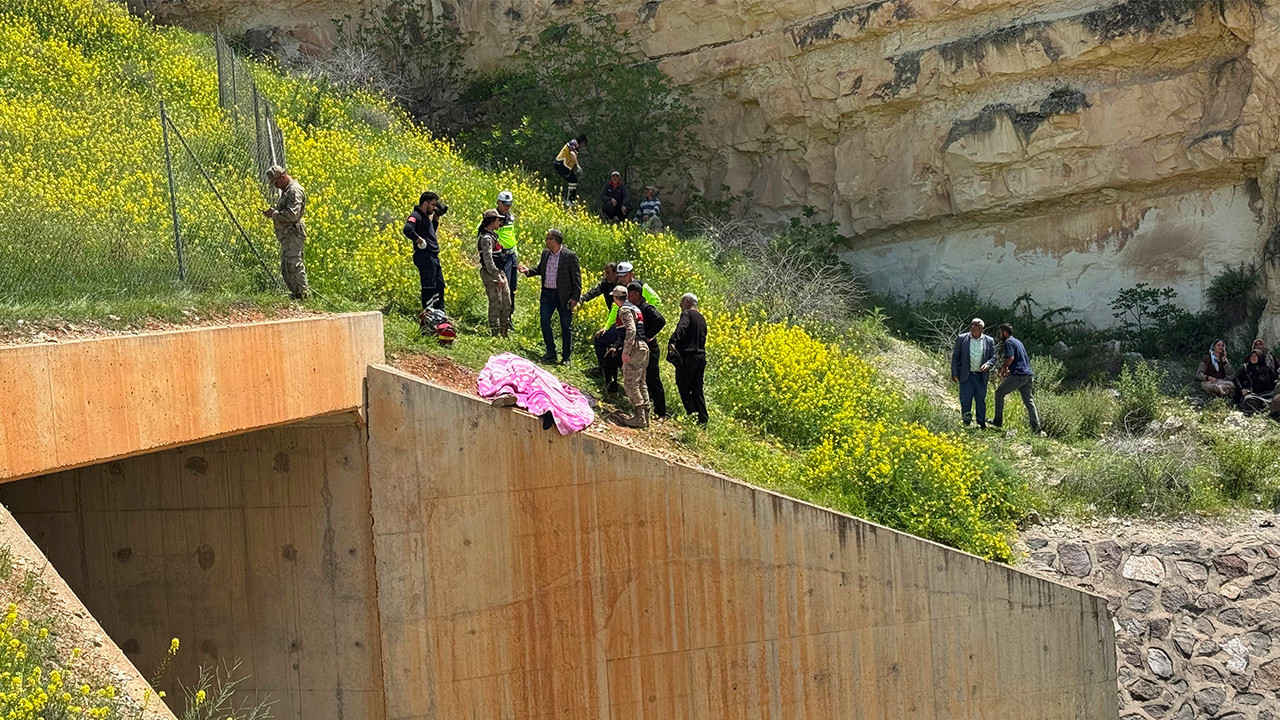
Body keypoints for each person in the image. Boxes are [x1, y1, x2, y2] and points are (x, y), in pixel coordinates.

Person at [521, 229, 581, 365]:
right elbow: (540, 269)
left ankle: (566, 357)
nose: (545, 241)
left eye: (547, 238)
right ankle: (551, 352)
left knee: (566, 326)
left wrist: (575, 298)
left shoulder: (569, 256)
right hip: (547, 294)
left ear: (554, 241)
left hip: (563, 296)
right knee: (544, 321)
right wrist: (528, 271)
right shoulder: (545, 254)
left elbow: (577, 279)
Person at [263, 165, 310, 299]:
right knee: (287, 267)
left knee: (294, 265)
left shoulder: (294, 191)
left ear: (282, 177)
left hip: (293, 234)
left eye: (276, 182)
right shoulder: (288, 190)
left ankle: (303, 296)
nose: (276, 186)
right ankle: (296, 296)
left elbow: (292, 215)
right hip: (288, 235)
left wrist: (274, 214)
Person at [991, 323, 1042, 435]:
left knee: (999, 393)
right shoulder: (1018, 342)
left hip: (1019, 375)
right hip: (1027, 375)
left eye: (1000, 333)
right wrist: (1010, 370)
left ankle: (997, 421)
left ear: (1004, 332)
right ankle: (1037, 429)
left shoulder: (1008, 342)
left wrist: (1004, 368)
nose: (1000, 335)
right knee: (1029, 400)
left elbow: (1011, 358)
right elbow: (1020, 359)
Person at [612, 285, 650, 428]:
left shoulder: (624, 310)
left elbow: (631, 330)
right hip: (643, 348)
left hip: (635, 349)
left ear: (616, 298)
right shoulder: (635, 307)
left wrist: (625, 351)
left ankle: (639, 417)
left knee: (630, 382)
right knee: (641, 383)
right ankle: (646, 416)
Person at [404, 191, 448, 312]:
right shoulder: (416, 215)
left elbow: (430, 232)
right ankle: (428, 316)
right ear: (425, 203)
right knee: (429, 287)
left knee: (439, 285)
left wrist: (436, 218)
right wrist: (419, 241)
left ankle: (439, 313)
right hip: (424, 256)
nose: (434, 208)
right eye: (433, 205)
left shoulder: (425, 218)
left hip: (432, 256)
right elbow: (407, 229)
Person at [668, 292, 708, 424]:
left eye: (682, 301)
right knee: (697, 388)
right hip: (700, 357)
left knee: (683, 385)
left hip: (688, 357)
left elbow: (682, 327)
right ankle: (702, 419)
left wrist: (673, 341)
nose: (680, 304)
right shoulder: (702, 318)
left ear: (688, 302)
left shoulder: (687, 314)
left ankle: (691, 414)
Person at [629, 281, 667, 418]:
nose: (628, 297)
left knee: (653, 378)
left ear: (637, 294)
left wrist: (648, 335)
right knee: (643, 378)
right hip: (641, 347)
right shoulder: (634, 308)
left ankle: (661, 412)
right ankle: (648, 406)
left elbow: (661, 321)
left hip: (651, 347)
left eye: (630, 294)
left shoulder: (646, 308)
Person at [950, 318, 996, 428]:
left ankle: (981, 423)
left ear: (981, 328)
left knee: (980, 400)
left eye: (976, 325)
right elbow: (956, 356)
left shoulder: (989, 341)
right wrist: (954, 372)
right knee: (965, 400)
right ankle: (966, 422)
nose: (973, 327)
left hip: (981, 376)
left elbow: (994, 357)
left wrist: (988, 364)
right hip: (967, 375)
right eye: (972, 324)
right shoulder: (962, 338)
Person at [476, 209, 511, 337]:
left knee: (507, 303)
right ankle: (495, 334)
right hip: (492, 274)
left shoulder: (493, 235)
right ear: (491, 221)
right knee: (496, 304)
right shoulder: (486, 238)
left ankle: (504, 333)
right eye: (498, 219)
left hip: (500, 273)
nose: (500, 222)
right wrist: (497, 276)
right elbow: (488, 261)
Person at [494, 190, 518, 316]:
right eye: (504, 204)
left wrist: (516, 253)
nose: (507, 207)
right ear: (498, 202)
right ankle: (500, 317)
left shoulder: (510, 217)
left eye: (509, 204)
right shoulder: (493, 216)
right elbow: (484, 232)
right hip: (501, 256)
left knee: (512, 287)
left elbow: (511, 235)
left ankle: (509, 316)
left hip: (512, 255)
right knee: (504, 287)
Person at [1234, 348, 1277, 415]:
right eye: (1252, 356)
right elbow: (1235, 378)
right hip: (1253, 395)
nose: (1253, 358)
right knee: (1247, 400)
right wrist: (1241, 389)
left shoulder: (1266, 369)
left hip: (1267, 395)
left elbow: (1273, 380)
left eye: (1255, 356)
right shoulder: (1246, 367)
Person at [553, 135, 587, 203]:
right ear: (582, 142)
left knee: (573, 180)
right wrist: (578, 165)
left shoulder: (575, 146)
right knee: (573, 180)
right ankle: (569, 200)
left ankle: (570, 199)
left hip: (564, 166)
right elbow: (572, 154)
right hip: (562, 165)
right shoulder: (573, 143)